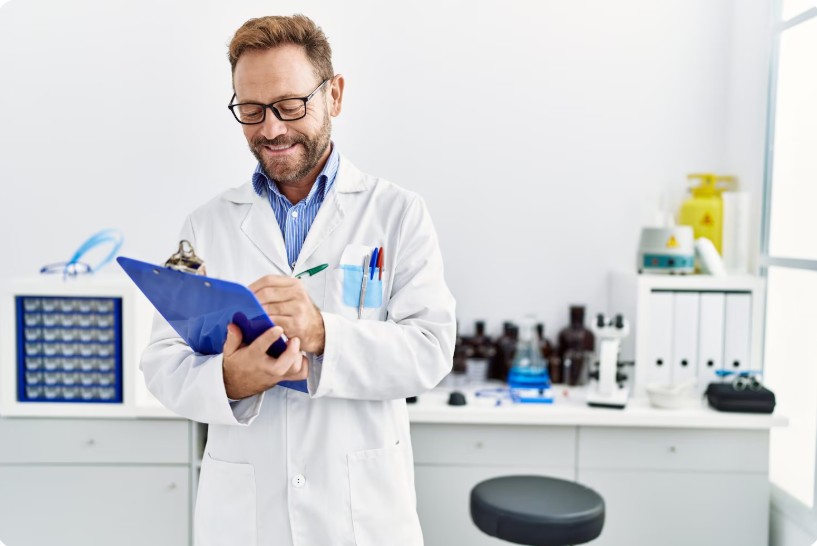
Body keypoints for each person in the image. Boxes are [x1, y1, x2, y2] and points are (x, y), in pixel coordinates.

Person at [141, 14, 456, 546]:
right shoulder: (206, 226)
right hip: (246, 517)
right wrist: (231, 381)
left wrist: (322, 334)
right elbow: (163, 362)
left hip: (359, 516)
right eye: (251, 110)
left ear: (333, 94)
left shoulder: (398, 213)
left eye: (290, 106)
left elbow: (430, 350)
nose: (271, 129)